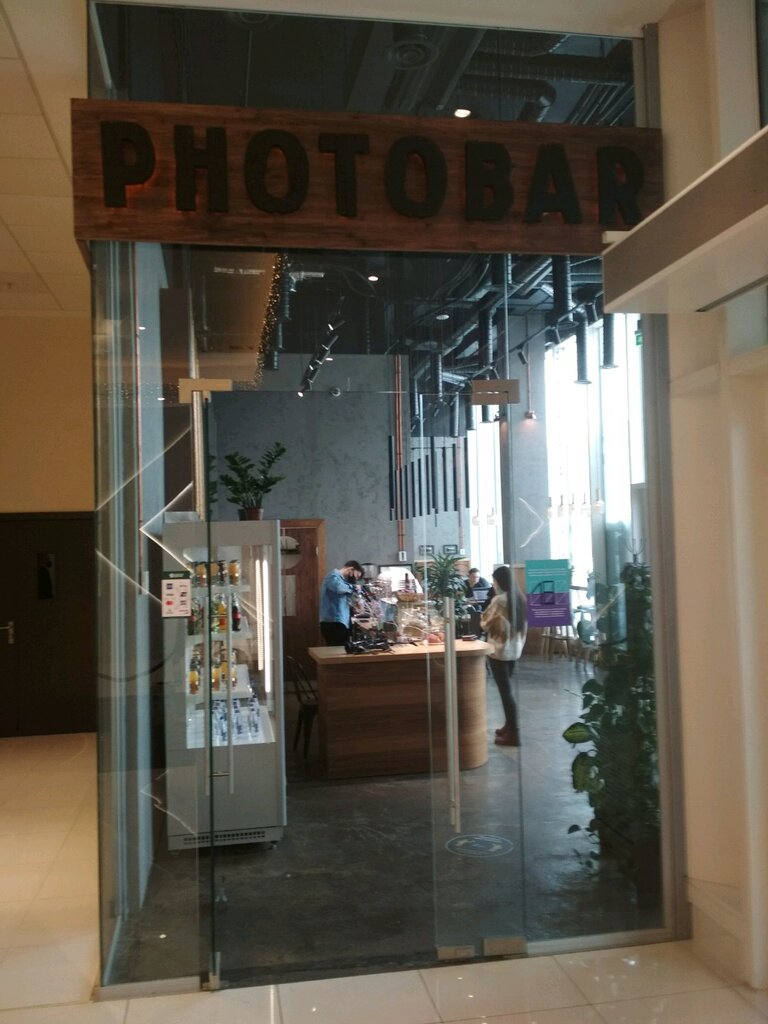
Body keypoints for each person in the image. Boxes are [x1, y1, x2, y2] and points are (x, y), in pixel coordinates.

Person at [480, 565, 528, 747]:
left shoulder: (499, 600)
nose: (493, 584)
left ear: (499, 581)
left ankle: (513, 733)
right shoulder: (519, 598)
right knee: (507, 690)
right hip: (514, 650)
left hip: (499, 651)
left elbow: (485, 623)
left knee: (505, 692)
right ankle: (509, 725)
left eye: (494, 581)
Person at [319, 559, 364, 645]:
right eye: (356, 575)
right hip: (332, 622)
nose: (355, 579)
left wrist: (355, 605)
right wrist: (354, 588)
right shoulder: (333, 576)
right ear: (351, 569)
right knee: (336, 650)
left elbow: (346, 600)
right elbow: (338, 588)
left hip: (341, 622)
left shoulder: (344, 582)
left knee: (343, 649)